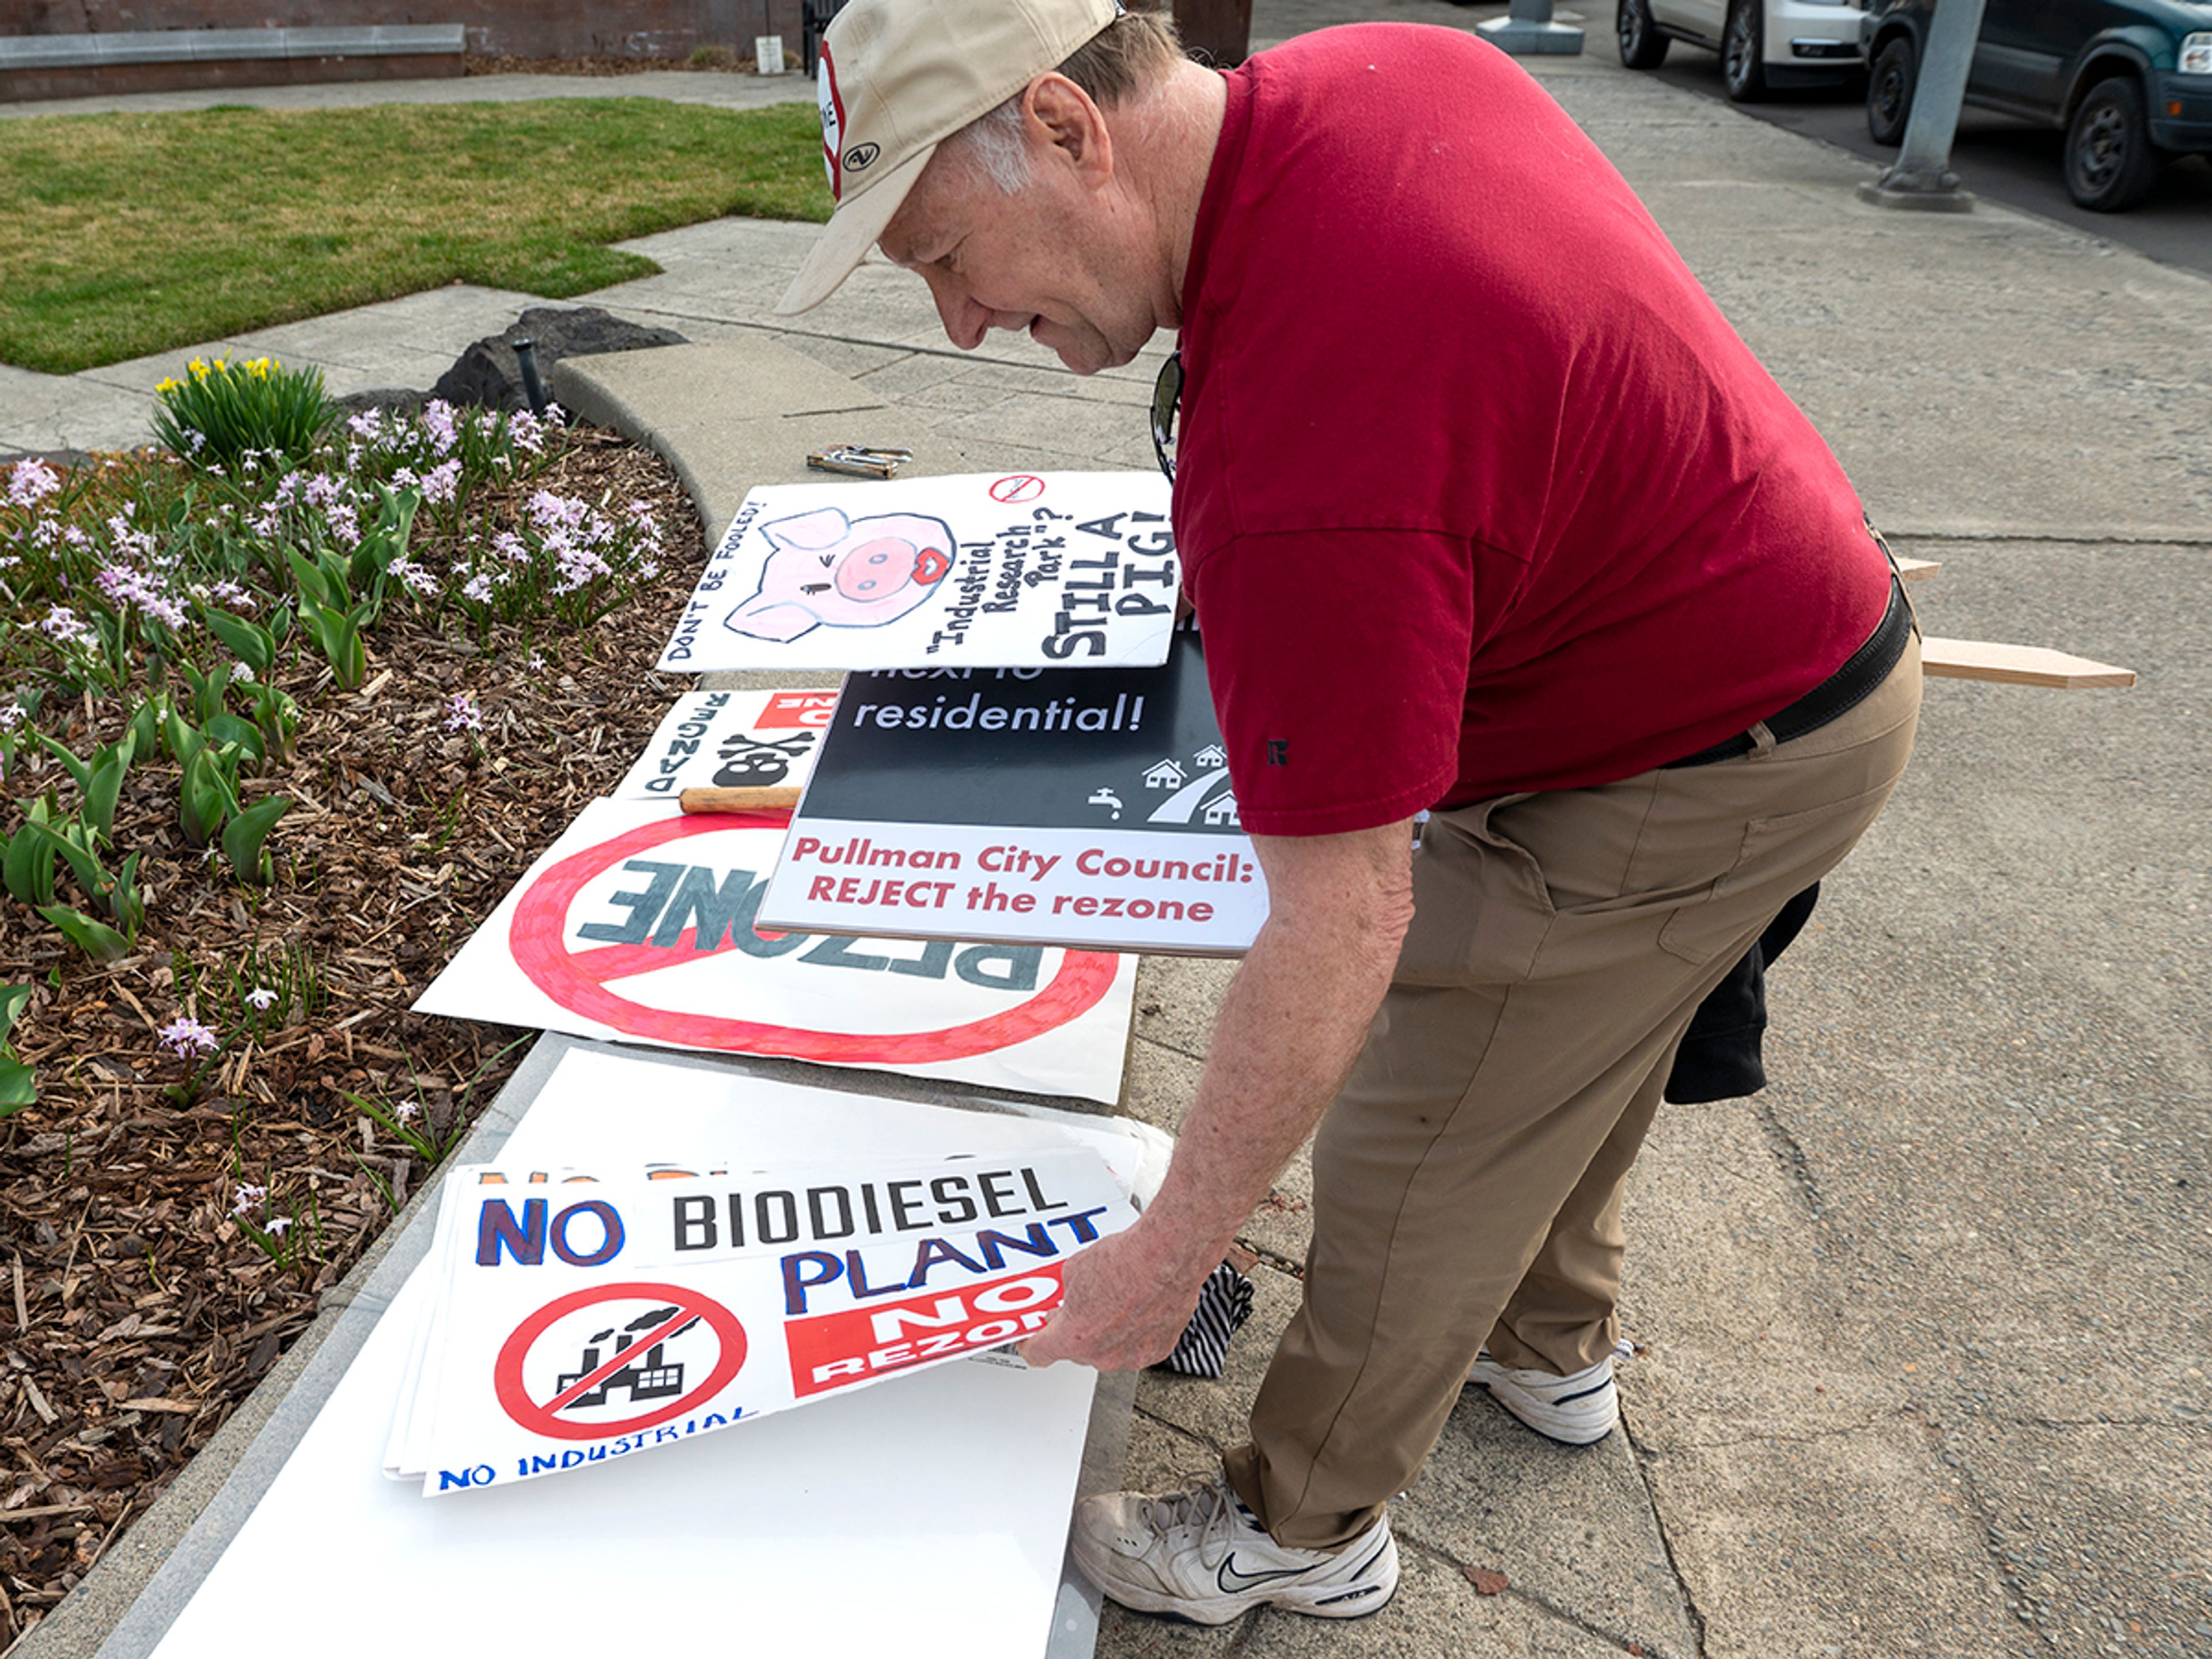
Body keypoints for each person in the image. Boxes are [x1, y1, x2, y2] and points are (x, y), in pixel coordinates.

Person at [776, 0, 1921, 1626]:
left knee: (1423, 1128)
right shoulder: (1374, 69)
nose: (962, 323)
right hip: (1793, 645)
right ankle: (1550, 1348)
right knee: (1573, 1039)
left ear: (1063, 127)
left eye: (947, 256)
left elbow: (1343, 918)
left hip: (1698, 751)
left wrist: (1173, 1250)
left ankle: (1301, 1530)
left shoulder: (1309, 445)